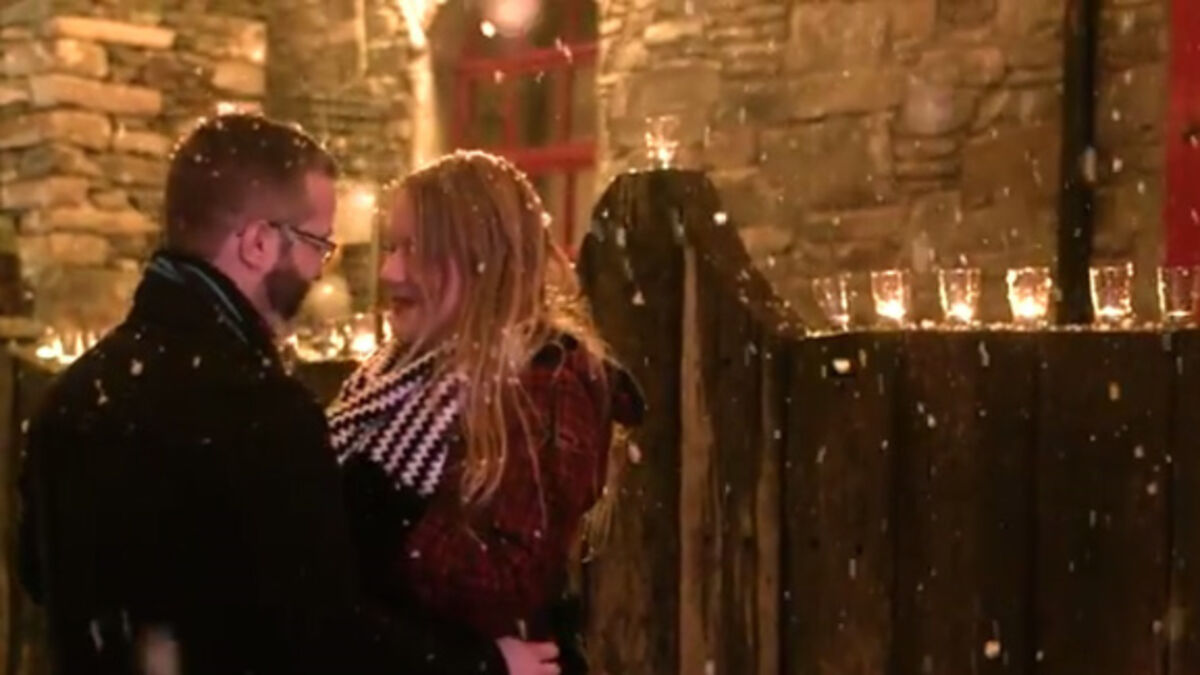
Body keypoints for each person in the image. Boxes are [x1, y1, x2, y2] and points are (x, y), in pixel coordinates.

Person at [17, 115, 559, 675]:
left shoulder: (74, 396)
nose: (320, 270)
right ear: (257, 243)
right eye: (317, 244)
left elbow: (39, 573)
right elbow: (325, 639)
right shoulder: (261, 412)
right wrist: (485, 665)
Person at [327, 150, 644, 674]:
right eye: (393, 247)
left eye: (418, 251)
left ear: (483, 260)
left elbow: (505, 583)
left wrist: (374, 518)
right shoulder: (392, 373)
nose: (390, 271)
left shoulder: (544, 383)